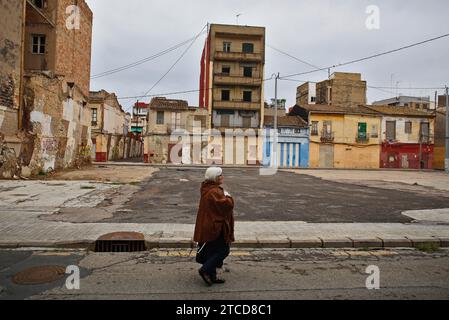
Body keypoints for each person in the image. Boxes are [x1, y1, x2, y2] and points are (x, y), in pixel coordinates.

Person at [194, 167, 235, 286]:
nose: (222, 177)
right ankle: (205, 270)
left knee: (212, 251)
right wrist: (228, 196)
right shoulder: (214, 192)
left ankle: (212, 276)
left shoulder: (208, 188)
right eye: (220, 175)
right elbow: (227, 205)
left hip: (210, 224)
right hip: (215, 226)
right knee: (223, 250)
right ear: (214, 178)